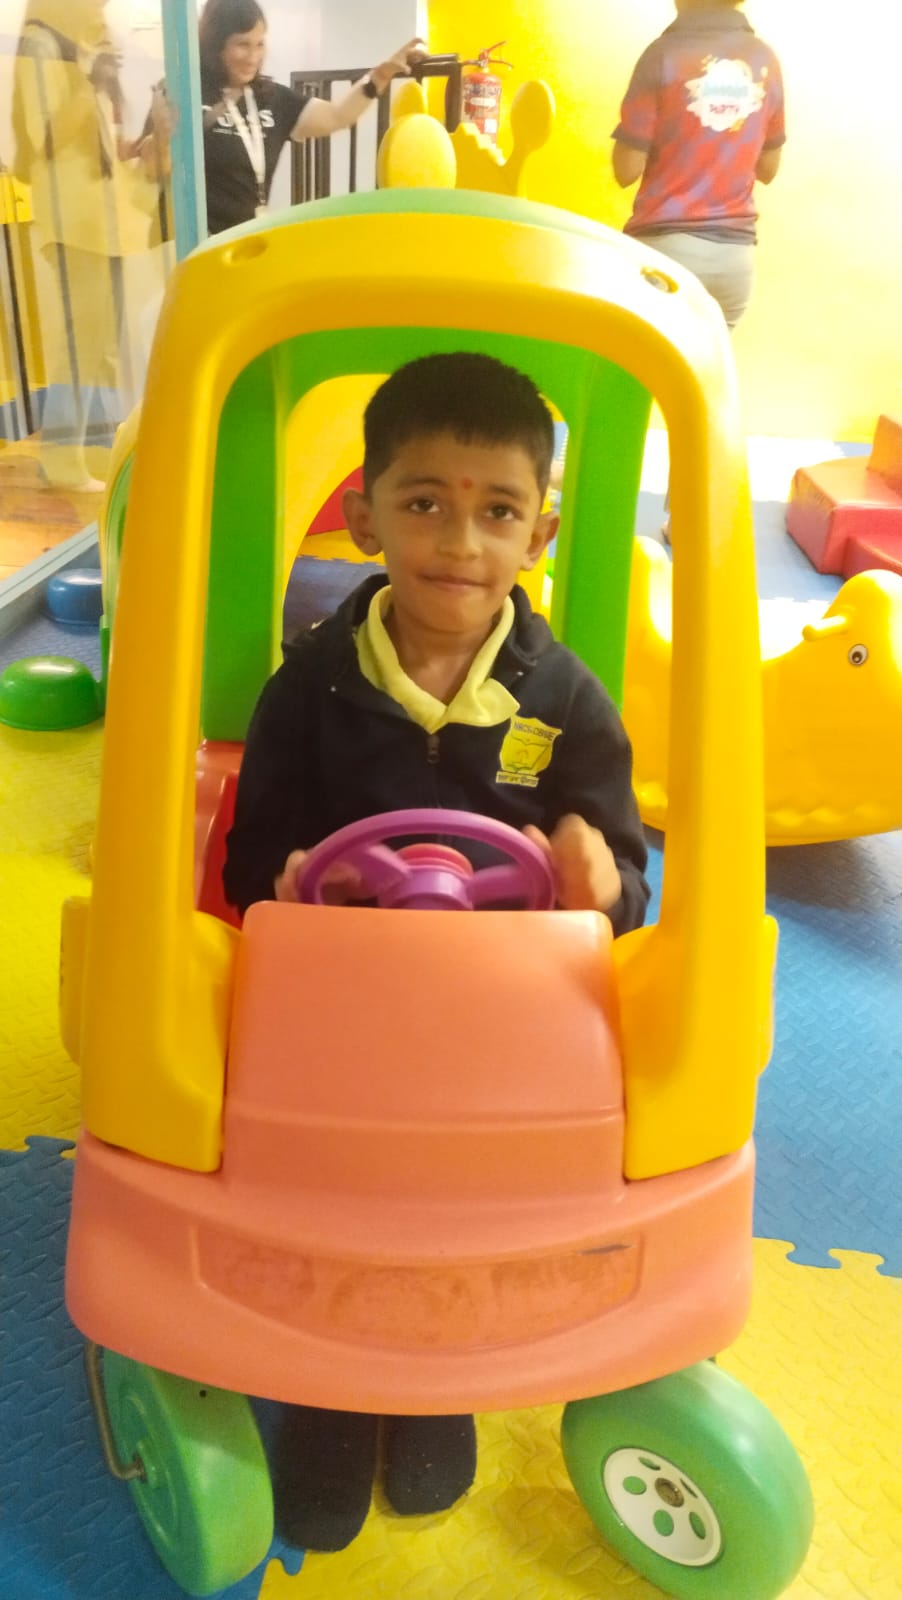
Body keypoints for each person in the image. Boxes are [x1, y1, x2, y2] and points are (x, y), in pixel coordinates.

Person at [223, 351, 651, 1552]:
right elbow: (247, 863)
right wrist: (288, 891)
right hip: (339, 1016)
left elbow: (623, 885)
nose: (460, 542)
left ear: (537, 533)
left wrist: (598, 883)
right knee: (322, 1188)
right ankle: (325, 1387)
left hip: (500, 1029)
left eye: (497, 510)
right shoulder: (307, 687)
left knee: (470, 1200)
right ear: (364, 516)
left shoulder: (565, 700)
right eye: (424, 502)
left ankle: (433, 1373)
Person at [11, 0, 170, 492]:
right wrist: (90, 81)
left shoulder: (79, 49)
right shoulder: (41, 44)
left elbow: (92, 147)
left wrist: (140, 143)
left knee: (101, 348)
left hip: (102, 224)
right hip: (75, 225)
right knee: (81, 347)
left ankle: (94, 451)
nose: (103, 9)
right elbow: (45, 138)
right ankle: (61, 460)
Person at [611, 0, 786, 332]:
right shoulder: (765, 59)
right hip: (734, 260)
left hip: (667, 253)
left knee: (646, 360)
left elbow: (626, 170)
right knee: (706, 364)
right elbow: (769, 168)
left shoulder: (662, 55)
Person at [197, 0, 426, 234]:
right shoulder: (192, 96)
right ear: (217, 45)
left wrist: (381, 76)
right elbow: (168, 170)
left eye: (260, 44)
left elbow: (337, 115)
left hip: (247, 240)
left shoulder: (272, 98)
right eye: (242, 44)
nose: (253, 57)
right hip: (200, 242)